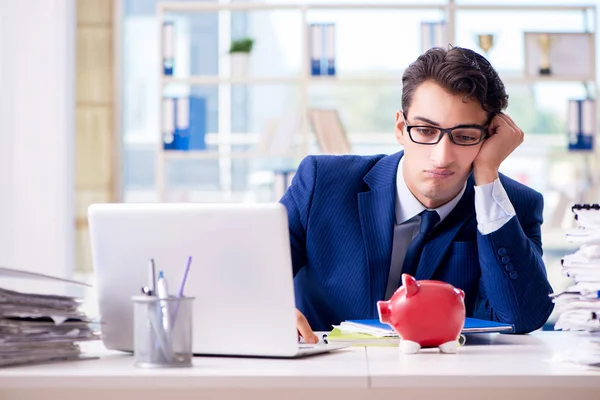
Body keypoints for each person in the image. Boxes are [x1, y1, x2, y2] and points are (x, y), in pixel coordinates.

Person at [280, 46, 554, 343]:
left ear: (488, 138)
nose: (441, 157)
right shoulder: (321, 182)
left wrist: (487, 175)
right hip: (327, 375)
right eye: (425, 130)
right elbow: (245, 275)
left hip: (441, 382)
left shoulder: (509, 207)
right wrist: (272, 309)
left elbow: (523, 317)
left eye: (464, 137)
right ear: (401, 127)